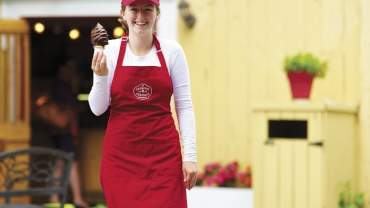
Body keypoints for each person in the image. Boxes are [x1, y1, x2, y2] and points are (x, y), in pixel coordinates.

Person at [88, 0, 198, 207]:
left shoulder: (172, 51)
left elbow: (184, 106)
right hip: (121, 160)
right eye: (134, 9)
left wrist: (190, 156)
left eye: (147, 9)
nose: (141, 16)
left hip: (163, 158)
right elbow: (97, 108)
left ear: (157, 13)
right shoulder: (108, 51)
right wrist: (101, 76)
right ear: (123, 13)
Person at [50, 61, 89, 208]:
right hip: (64, 130)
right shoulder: (62, 86)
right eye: (69, 68)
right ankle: (78, 198)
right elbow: (73, 105)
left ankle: (54, 197)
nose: (71, 71)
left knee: (60, 163)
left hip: (59, 130)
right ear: (62, 69)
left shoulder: (60, 85)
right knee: (71, 161)